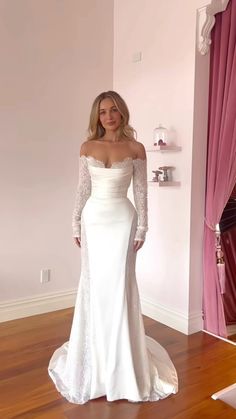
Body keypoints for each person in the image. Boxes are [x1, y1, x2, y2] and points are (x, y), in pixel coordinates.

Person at [48, 91, 178, 404]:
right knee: (94, 288)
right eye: (103, 111)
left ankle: (124, 367)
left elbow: (141, 192)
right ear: (97, 116)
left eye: (114, 110)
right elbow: (82, 189)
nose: (109, 116)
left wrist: (144, 227)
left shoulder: (136, 148)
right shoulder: (87, 147)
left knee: (120, 288)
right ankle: (93, 361)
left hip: (123, 221)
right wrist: (75, 223)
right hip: (94, 220)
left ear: (122, 114)